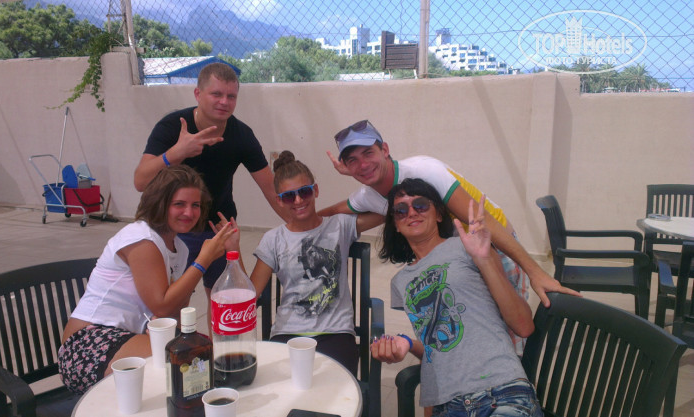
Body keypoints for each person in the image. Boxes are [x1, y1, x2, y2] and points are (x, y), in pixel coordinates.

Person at [320, 120, 578, 309]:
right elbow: (329, 213)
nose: (363, 164)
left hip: (494, 245)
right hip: (455, 259)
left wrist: (534, 272)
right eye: (353, 160)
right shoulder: (367, 196)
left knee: (508, 328)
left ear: (385, 150)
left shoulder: (424, 171)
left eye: (368, 153)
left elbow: (483, 221)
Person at [58, 165, 238, 394]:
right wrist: (203, 260)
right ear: (160, 203)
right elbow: (161, 305)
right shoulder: (141, 238)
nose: (189, 212)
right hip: (87, 343)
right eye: (179, 204)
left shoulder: (179, 248)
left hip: (130, 336)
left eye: (196, 205)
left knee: (204, 360)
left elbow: (173, 311)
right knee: (190, 364)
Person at [134, 62, 287, 329]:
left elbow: (270, 188)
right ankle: (175, 353)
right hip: (174, 230)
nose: (224, 102)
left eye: (231, 96)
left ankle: (220, 353)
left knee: (226, 302)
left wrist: (303, 224)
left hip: (219, 229)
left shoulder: (242, 135)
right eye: (216, 94)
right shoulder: (173, 127)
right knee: (172, 307)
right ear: (198, 94)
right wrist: (177, 153)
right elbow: (140, 181)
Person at [371, 178, 542, 417]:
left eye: (420, 205)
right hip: (447, 405)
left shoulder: (467, 247)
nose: (411, 212)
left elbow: (523, 326)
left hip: (499, 391)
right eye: (400, 210)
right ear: (396, 225)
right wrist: (406, 343)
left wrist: (485, 260)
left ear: (439, 214)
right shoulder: (400, 282)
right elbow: (435, 348)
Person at [234, 151, 382, 375]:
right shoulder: (274, 239)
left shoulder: (339, 226)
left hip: (335, 332)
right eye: (288, 196)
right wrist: (233, 249)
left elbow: (387, 209)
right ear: (279, 200)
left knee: (334, 388)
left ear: (316, 190)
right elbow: (250, 294)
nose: (298, 201)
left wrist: (354, 178)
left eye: (304, 192)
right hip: (288, 332)